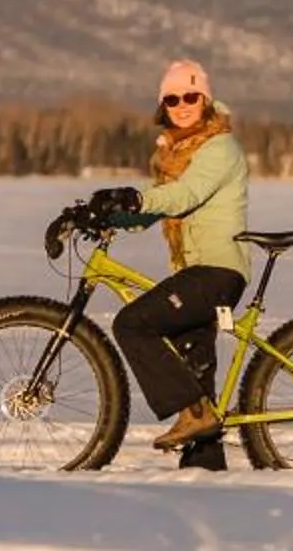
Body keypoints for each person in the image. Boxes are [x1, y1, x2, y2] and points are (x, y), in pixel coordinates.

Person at [88, 58, 251, 468]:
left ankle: (195, 413)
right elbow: (157, 208)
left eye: (191, 96)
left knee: (132, 324)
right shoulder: (177, 154)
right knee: (193, 368)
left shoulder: (219, 148)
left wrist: (135, 197)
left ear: (206, 100)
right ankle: (204, 466)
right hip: (194, 274)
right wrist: (101, 214)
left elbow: (184, 196)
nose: (182, 105)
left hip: (217, 273)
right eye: (173, 98)